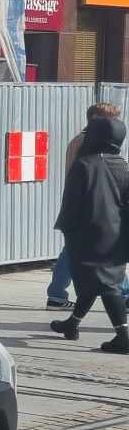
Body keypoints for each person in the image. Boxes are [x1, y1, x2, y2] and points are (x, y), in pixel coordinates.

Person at [49, 115, 129, 353]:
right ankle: (72, 324)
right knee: (96, 281)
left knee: (105, 284)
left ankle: (122, 335)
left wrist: (67, 228)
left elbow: (72, 202)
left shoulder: (84, 164)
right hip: (116, 234)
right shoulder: (122, 164)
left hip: (87, 233)